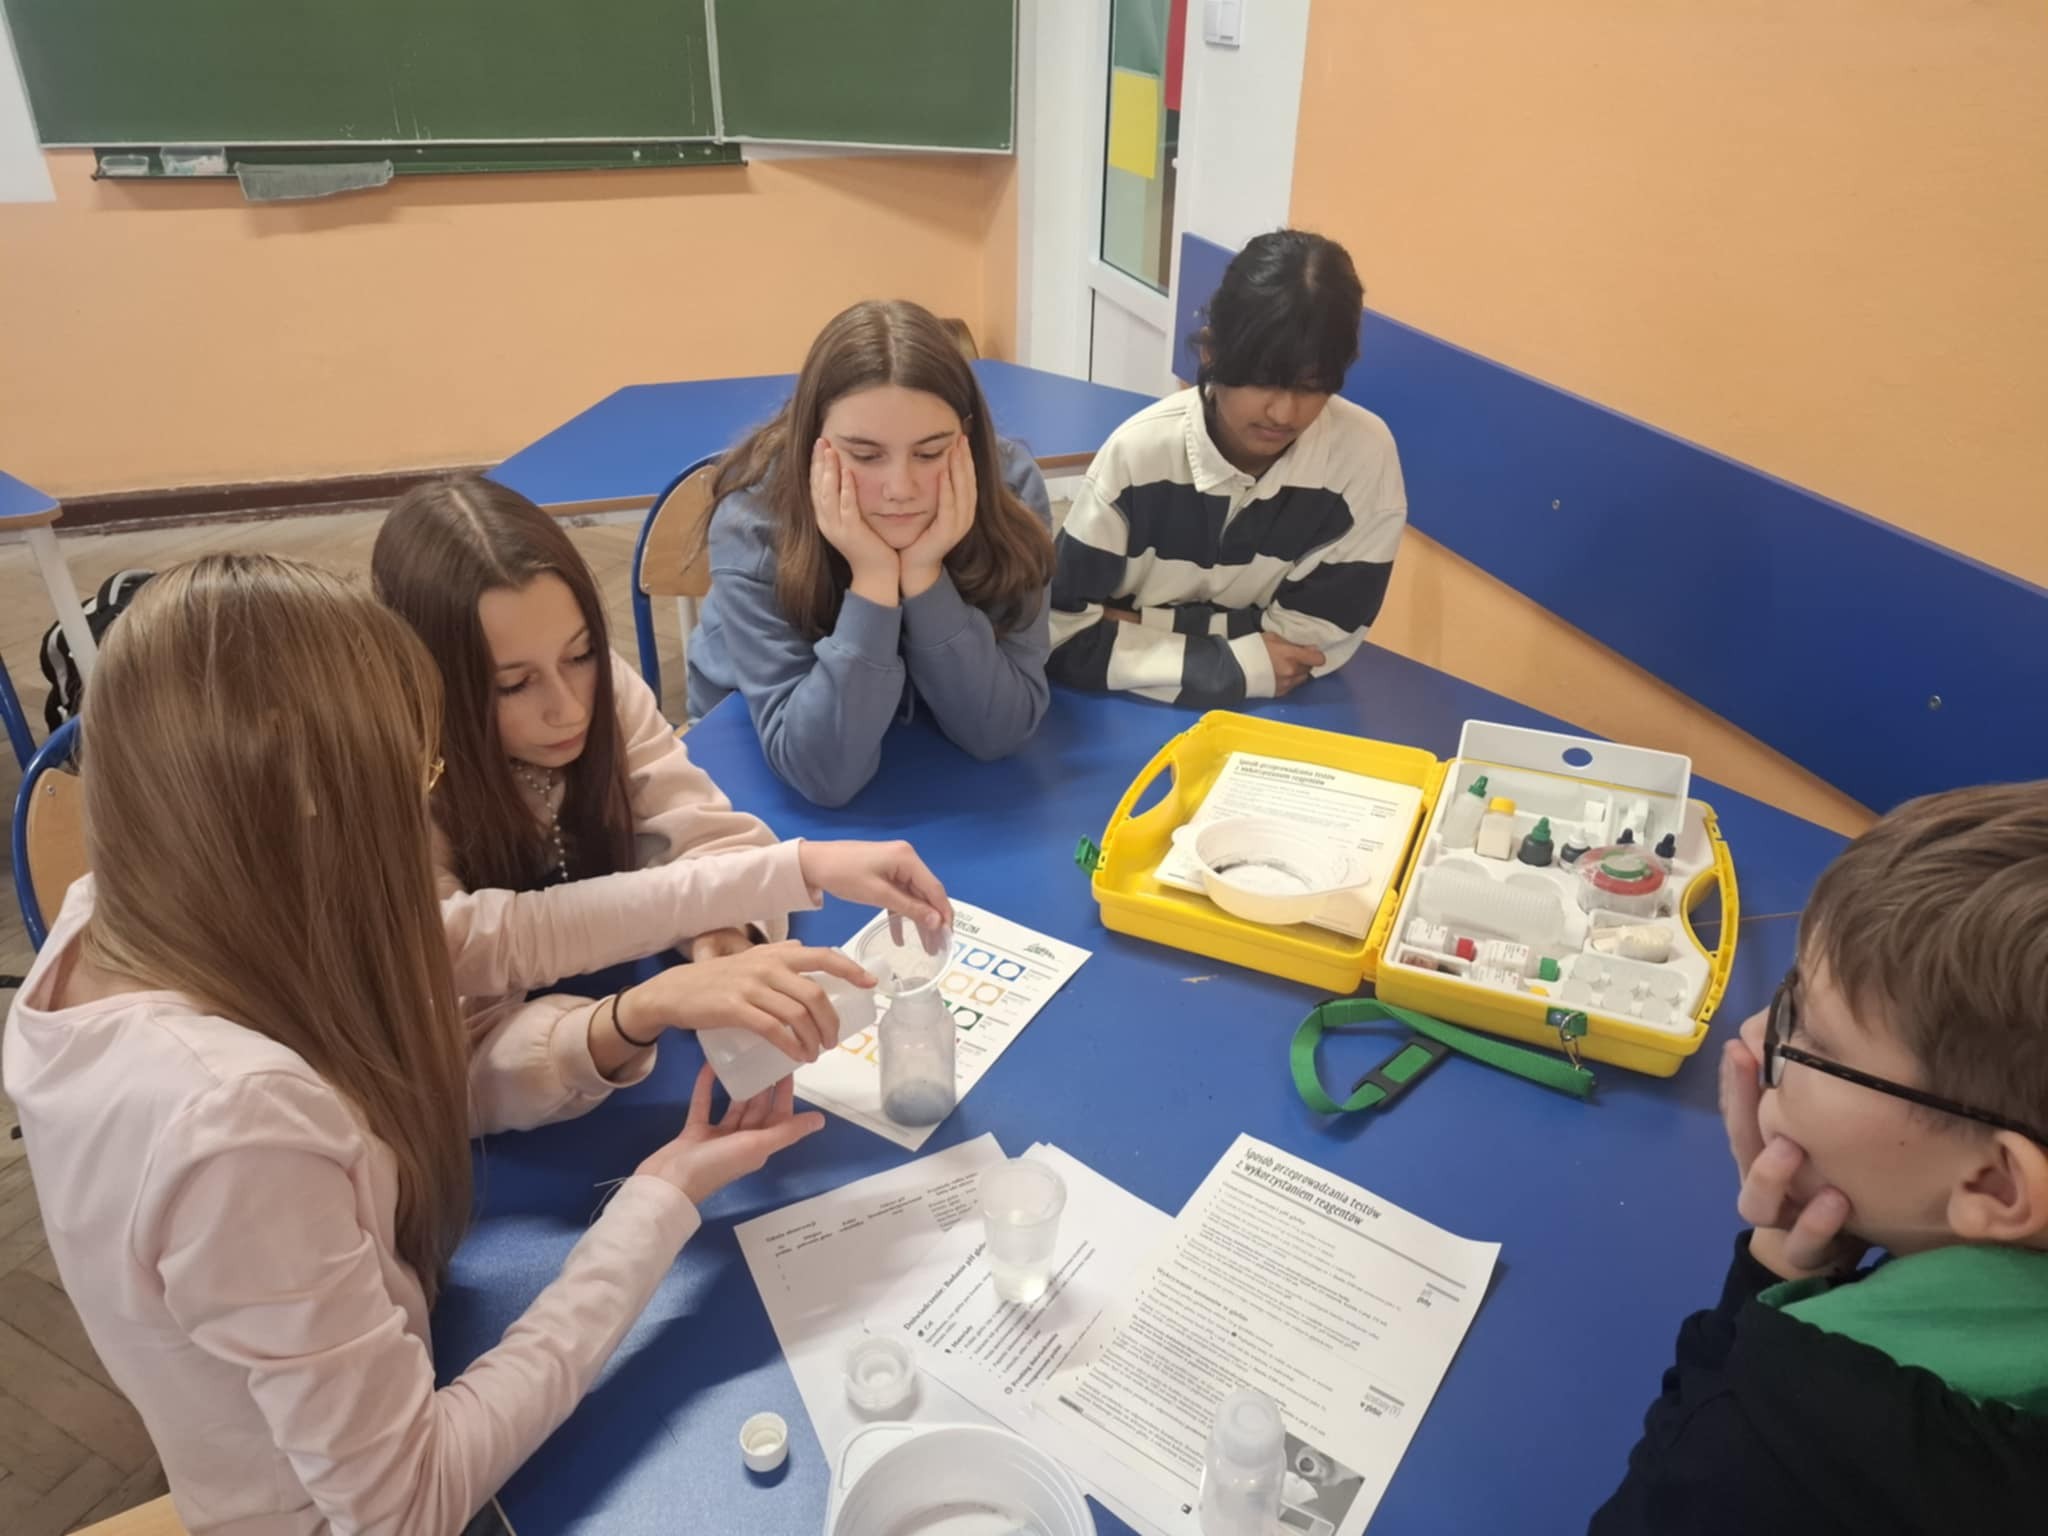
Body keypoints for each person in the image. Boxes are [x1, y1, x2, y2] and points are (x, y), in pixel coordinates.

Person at [2, 555, 859, 1533]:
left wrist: (778, 874)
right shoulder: (236, 1128)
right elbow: (407, 1507)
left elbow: (492, 937)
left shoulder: (125, 901)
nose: (424, 809)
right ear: (311, 804)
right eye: (416, 776)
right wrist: (657, 1201)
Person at [1592, 781, 2048, 1533]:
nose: (1753, 1033)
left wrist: (1766, 1281)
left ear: (1996, 1185)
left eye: (1810, 1036)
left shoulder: (1780, 1447)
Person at [374, 476, 949, 1072]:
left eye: (581, 653)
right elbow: (476, 969)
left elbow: (700, 833)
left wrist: (720, 936)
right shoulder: (389, 774)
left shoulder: (605, 690)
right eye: (513, 684)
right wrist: (792, 871)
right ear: (425, 681)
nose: (568, 708)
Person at [686, 299, 1057, 807]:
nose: (900, 488)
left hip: (941, 759)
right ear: (814, 442)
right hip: (757, 760)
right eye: (864, 455)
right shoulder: (753, 520)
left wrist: (924, 575)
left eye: (930, 452)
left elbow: (999, 732)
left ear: (967, 438)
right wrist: (874, 579)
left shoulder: (1011, 490)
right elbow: (824, 774)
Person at [1047, 229, 1407, 706]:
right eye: (1264, 380)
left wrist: (1135, 625)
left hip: (1275, 713)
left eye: (1312, 386)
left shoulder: (1363, 458)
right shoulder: (1138, 456)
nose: (1284, 413)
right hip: (1115, 708)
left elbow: (1302, 651)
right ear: (1211, 351)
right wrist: (1238, 659)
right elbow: (1058, 632)